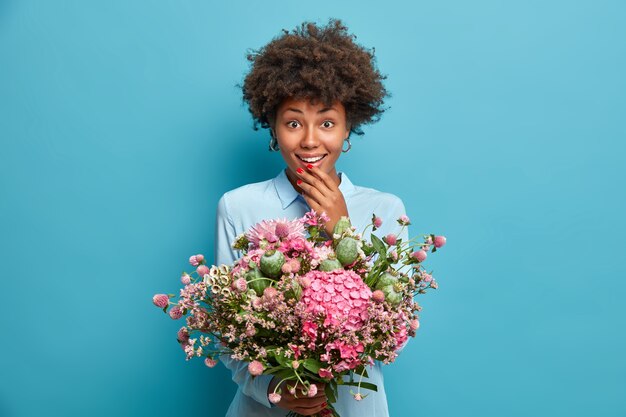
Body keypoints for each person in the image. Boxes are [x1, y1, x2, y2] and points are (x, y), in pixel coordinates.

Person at [214, 18, 409, 417]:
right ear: (273, 127)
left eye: (326, 123)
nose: (309, 140)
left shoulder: (387, 210)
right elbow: (226, 335)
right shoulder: (238, 206)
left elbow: (395, 331)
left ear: (348, 127)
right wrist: (274, 386)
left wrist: (343, 229)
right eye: (293, 123)